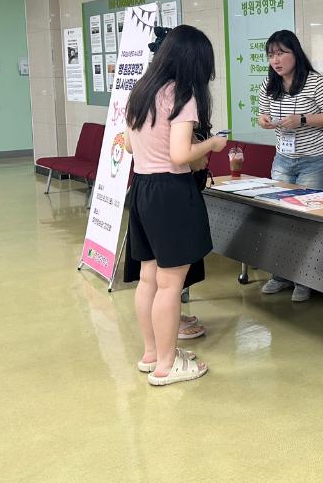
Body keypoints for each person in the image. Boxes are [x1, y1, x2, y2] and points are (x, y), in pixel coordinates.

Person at [124, 25, 227, 386]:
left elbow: (129, 145)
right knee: (170, 284)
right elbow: (181, 155)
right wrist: (212, 144)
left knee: (148, 278)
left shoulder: (141, 91)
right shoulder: (182, 95)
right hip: (171, 191)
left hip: (142, 188)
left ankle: (152, 354)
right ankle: (167, 367)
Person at [257, 30, 323, 302]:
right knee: (280, 217)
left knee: (307, 220)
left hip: (315, 160)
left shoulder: (316, 82)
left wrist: (302, 119)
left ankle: (304, 280)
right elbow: (262, 113)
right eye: (271, 55)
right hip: (283, 158)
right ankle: (280, 275)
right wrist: (264, 120)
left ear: (295, 53)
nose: (275, 60)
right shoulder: (269, 84)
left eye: (281, 53)